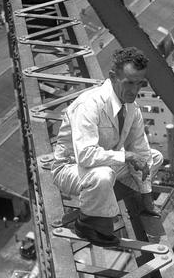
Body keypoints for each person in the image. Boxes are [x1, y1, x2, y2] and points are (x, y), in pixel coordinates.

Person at [51, 47, 163, 246]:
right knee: (102, 176)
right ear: (113, 77)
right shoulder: (89, 105)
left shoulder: (131, 108)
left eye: (139, 84)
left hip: (106, 164)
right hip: (72, 168)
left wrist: (147, 198)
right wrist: (127, 156)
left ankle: (104, 200)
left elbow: (141, 152)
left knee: (154, 157)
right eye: (129, 83)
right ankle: (87, 224)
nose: (134, 91)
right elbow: (85, 156)